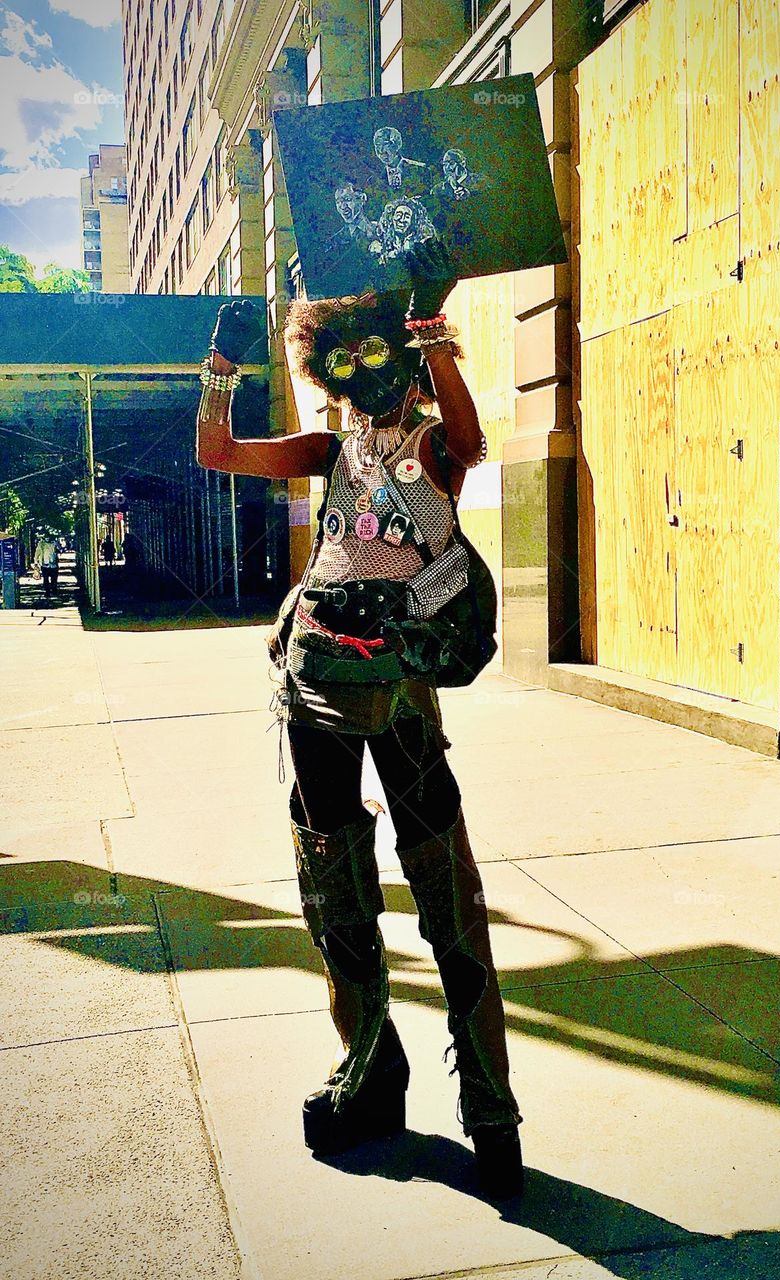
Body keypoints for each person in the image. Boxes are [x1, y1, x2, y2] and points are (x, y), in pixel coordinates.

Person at [195, 242, 523, 1198]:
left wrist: (435, 339)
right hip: (313, 680)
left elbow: (464, 446)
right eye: (340, 362)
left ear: (400, 358)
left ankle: (489, 1098)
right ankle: (368, 1064)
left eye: (374, 357)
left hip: (398, 687)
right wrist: (220, 369)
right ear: (324, 365)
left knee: (441, 878)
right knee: (330, 870)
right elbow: (218, 454)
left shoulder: (423, 442)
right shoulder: (330, 452)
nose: (358, 379)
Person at [34, 531, 59, 597]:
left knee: (54, 579)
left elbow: (58, 550)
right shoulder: (41, 544)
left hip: (53, 564)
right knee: (46, 579)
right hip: (44, 564)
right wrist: (36, 563)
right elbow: (37, 553)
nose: (47, 538)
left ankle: (54, 590)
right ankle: (47, 592)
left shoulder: (54, 543)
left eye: (48, 537)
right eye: (46, 537)